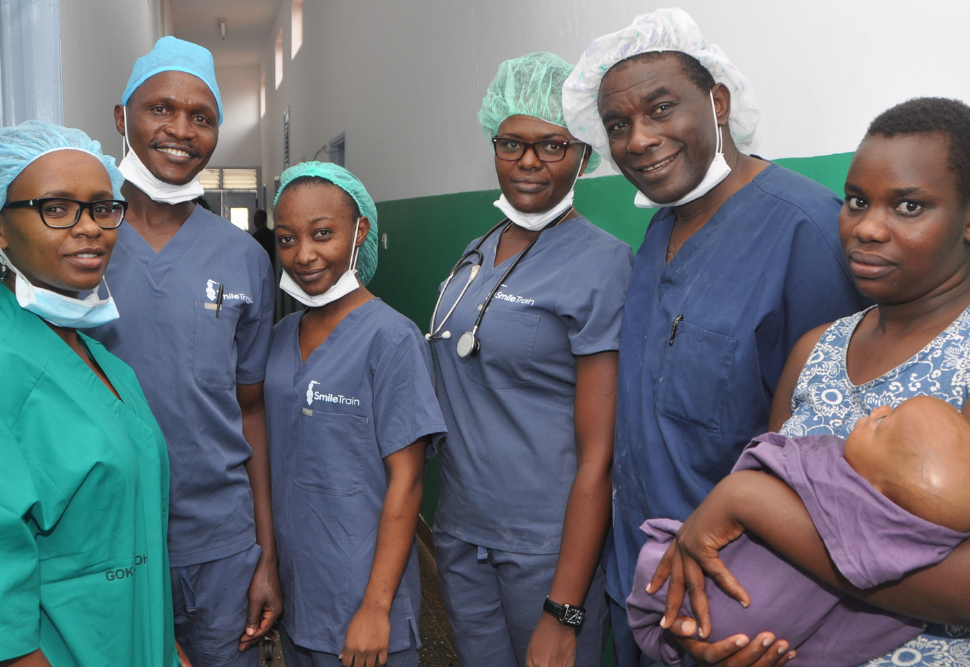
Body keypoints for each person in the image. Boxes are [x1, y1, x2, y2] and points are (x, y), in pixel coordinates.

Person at [561, 10, 870, 664]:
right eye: (618, 125)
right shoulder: (658, 236)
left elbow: (833, 470)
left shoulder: (806, 233)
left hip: (739, 604)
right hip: (644, 581)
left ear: (718, 102)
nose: (639, 139)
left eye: (660, 108)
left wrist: (771, 610)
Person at [647, 97, 970, 667]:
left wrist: (749, 502)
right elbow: (753, 539)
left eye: (910, 206)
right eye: (856, 201)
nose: (868, 227)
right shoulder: (816, 351)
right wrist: (712, 628)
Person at [429, 51, 633, 667]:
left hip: (545, 549)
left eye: (552, 145)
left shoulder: (604, 264)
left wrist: (565, 608)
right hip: (461, 530)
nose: (528, 161)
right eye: (512, 142)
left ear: (584, 155)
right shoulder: (480, 244)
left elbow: (601, 455)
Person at [87, 36, 280, 666]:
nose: (180, 130)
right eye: (159, 109)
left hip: (219, 545)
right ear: (122, 117)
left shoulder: (245, 260)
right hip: (101, 536)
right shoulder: (80, 243)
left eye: (202, 117)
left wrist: (264, 555)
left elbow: (250, 412)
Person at [0, 121, 185, 666]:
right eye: (57, 208)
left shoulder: (104, 362)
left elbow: (123, 542)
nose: (90, 227)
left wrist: (164, 643)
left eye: (102, 207)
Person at [629, 396, 970, 666]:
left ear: (879, 493)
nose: (879, 409)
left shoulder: (841, 479)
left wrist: (743, 494)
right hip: (736, 617)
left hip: (760, 625)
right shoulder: (815, 347)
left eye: (883, 421)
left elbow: (772, 463)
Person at [266, 161, 446, 667]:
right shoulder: (281, 339)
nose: (303, 255)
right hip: (298, 593)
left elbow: (408, 482)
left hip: (361, 597)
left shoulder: (392, 339)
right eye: (286, 239)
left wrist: (375, 607)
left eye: (322, 234)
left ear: (359, 230)